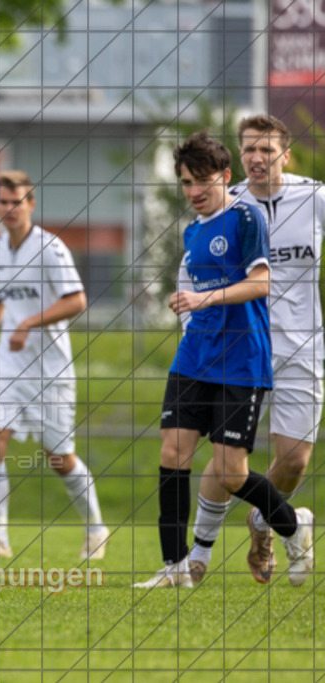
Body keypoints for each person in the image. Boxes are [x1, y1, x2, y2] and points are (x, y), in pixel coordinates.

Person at [133, 131, 314, 589]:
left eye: (202, 181)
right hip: (195, 358)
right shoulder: (192, 231)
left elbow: (260, 284)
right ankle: (175, 567)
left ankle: (292, 526)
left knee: (231, 474)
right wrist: (186, 305)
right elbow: (191, 293)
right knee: (173, 454)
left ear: (225, 177)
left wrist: (203, 298)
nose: (194, 192)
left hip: (242, 361)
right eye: (186, 183)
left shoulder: (246, 218)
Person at [186, 115, 323, 584]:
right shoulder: (227, 203)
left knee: (295, 460)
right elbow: (194, 268)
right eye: (249, 150)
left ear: (286, 154)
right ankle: (197, 556)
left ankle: (265, 523)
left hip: (303, 348)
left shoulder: (315, 196)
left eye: (267, 150)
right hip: (239, 346)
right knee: (226, 458)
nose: (257, 158)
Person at [0, 171, 110, 561]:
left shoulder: (51, 248)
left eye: (17, 202)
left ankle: (96, 529)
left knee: (60, 457)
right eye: (3, 202)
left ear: (31, 204)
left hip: (50, 370)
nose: (9, 209)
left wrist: (28, 323)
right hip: (8, 363)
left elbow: (76, 301)